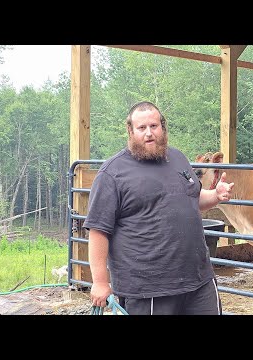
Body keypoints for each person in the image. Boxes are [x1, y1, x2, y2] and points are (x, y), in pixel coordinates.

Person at [83, 101, 234, 315]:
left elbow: (191, 197)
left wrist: (216, 195)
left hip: (198, 280)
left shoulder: (178, 159)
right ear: (130, 131)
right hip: (149, 289)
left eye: (153, 126)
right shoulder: (112, 173)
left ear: (163, 127)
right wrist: (99, 282)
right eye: (141, 128)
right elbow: (99, 230)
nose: (148, 134)